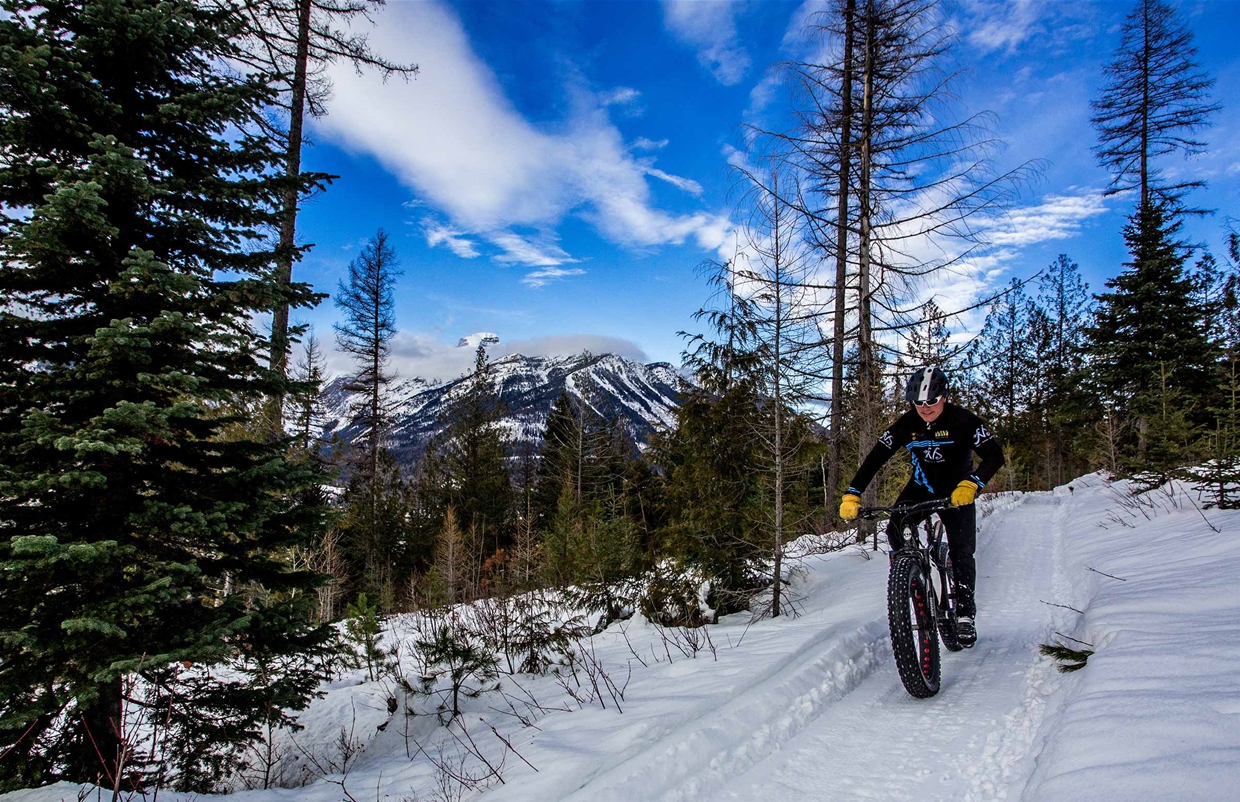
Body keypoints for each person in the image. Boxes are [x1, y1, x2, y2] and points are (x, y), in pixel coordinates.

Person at [838, 366, 1005, 646]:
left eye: (931, 402)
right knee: (895, 527)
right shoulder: (907, 423)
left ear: (944, 397)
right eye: (918, 403)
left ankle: (965, 613)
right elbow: (876, 458)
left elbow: (994, 456)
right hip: (922, 488)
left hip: (957, 493)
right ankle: (910, 577)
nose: (924, 408)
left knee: (962, 551)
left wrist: (973, 483)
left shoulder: (963, 420)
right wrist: (852, 493)